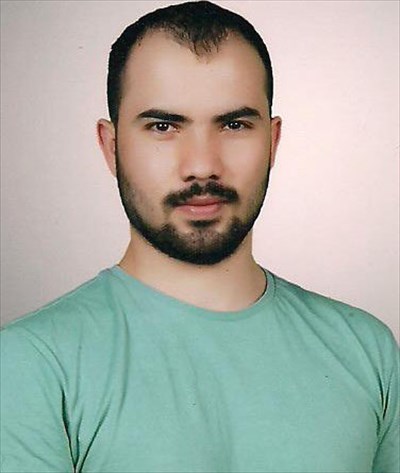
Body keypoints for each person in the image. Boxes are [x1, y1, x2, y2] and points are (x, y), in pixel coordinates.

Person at [1, 1, 398, 472]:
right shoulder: (31, 364)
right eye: (163, 126)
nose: (202, 165)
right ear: (111, 147)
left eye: (234, 125)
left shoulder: (367, 350)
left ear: (272, 142)